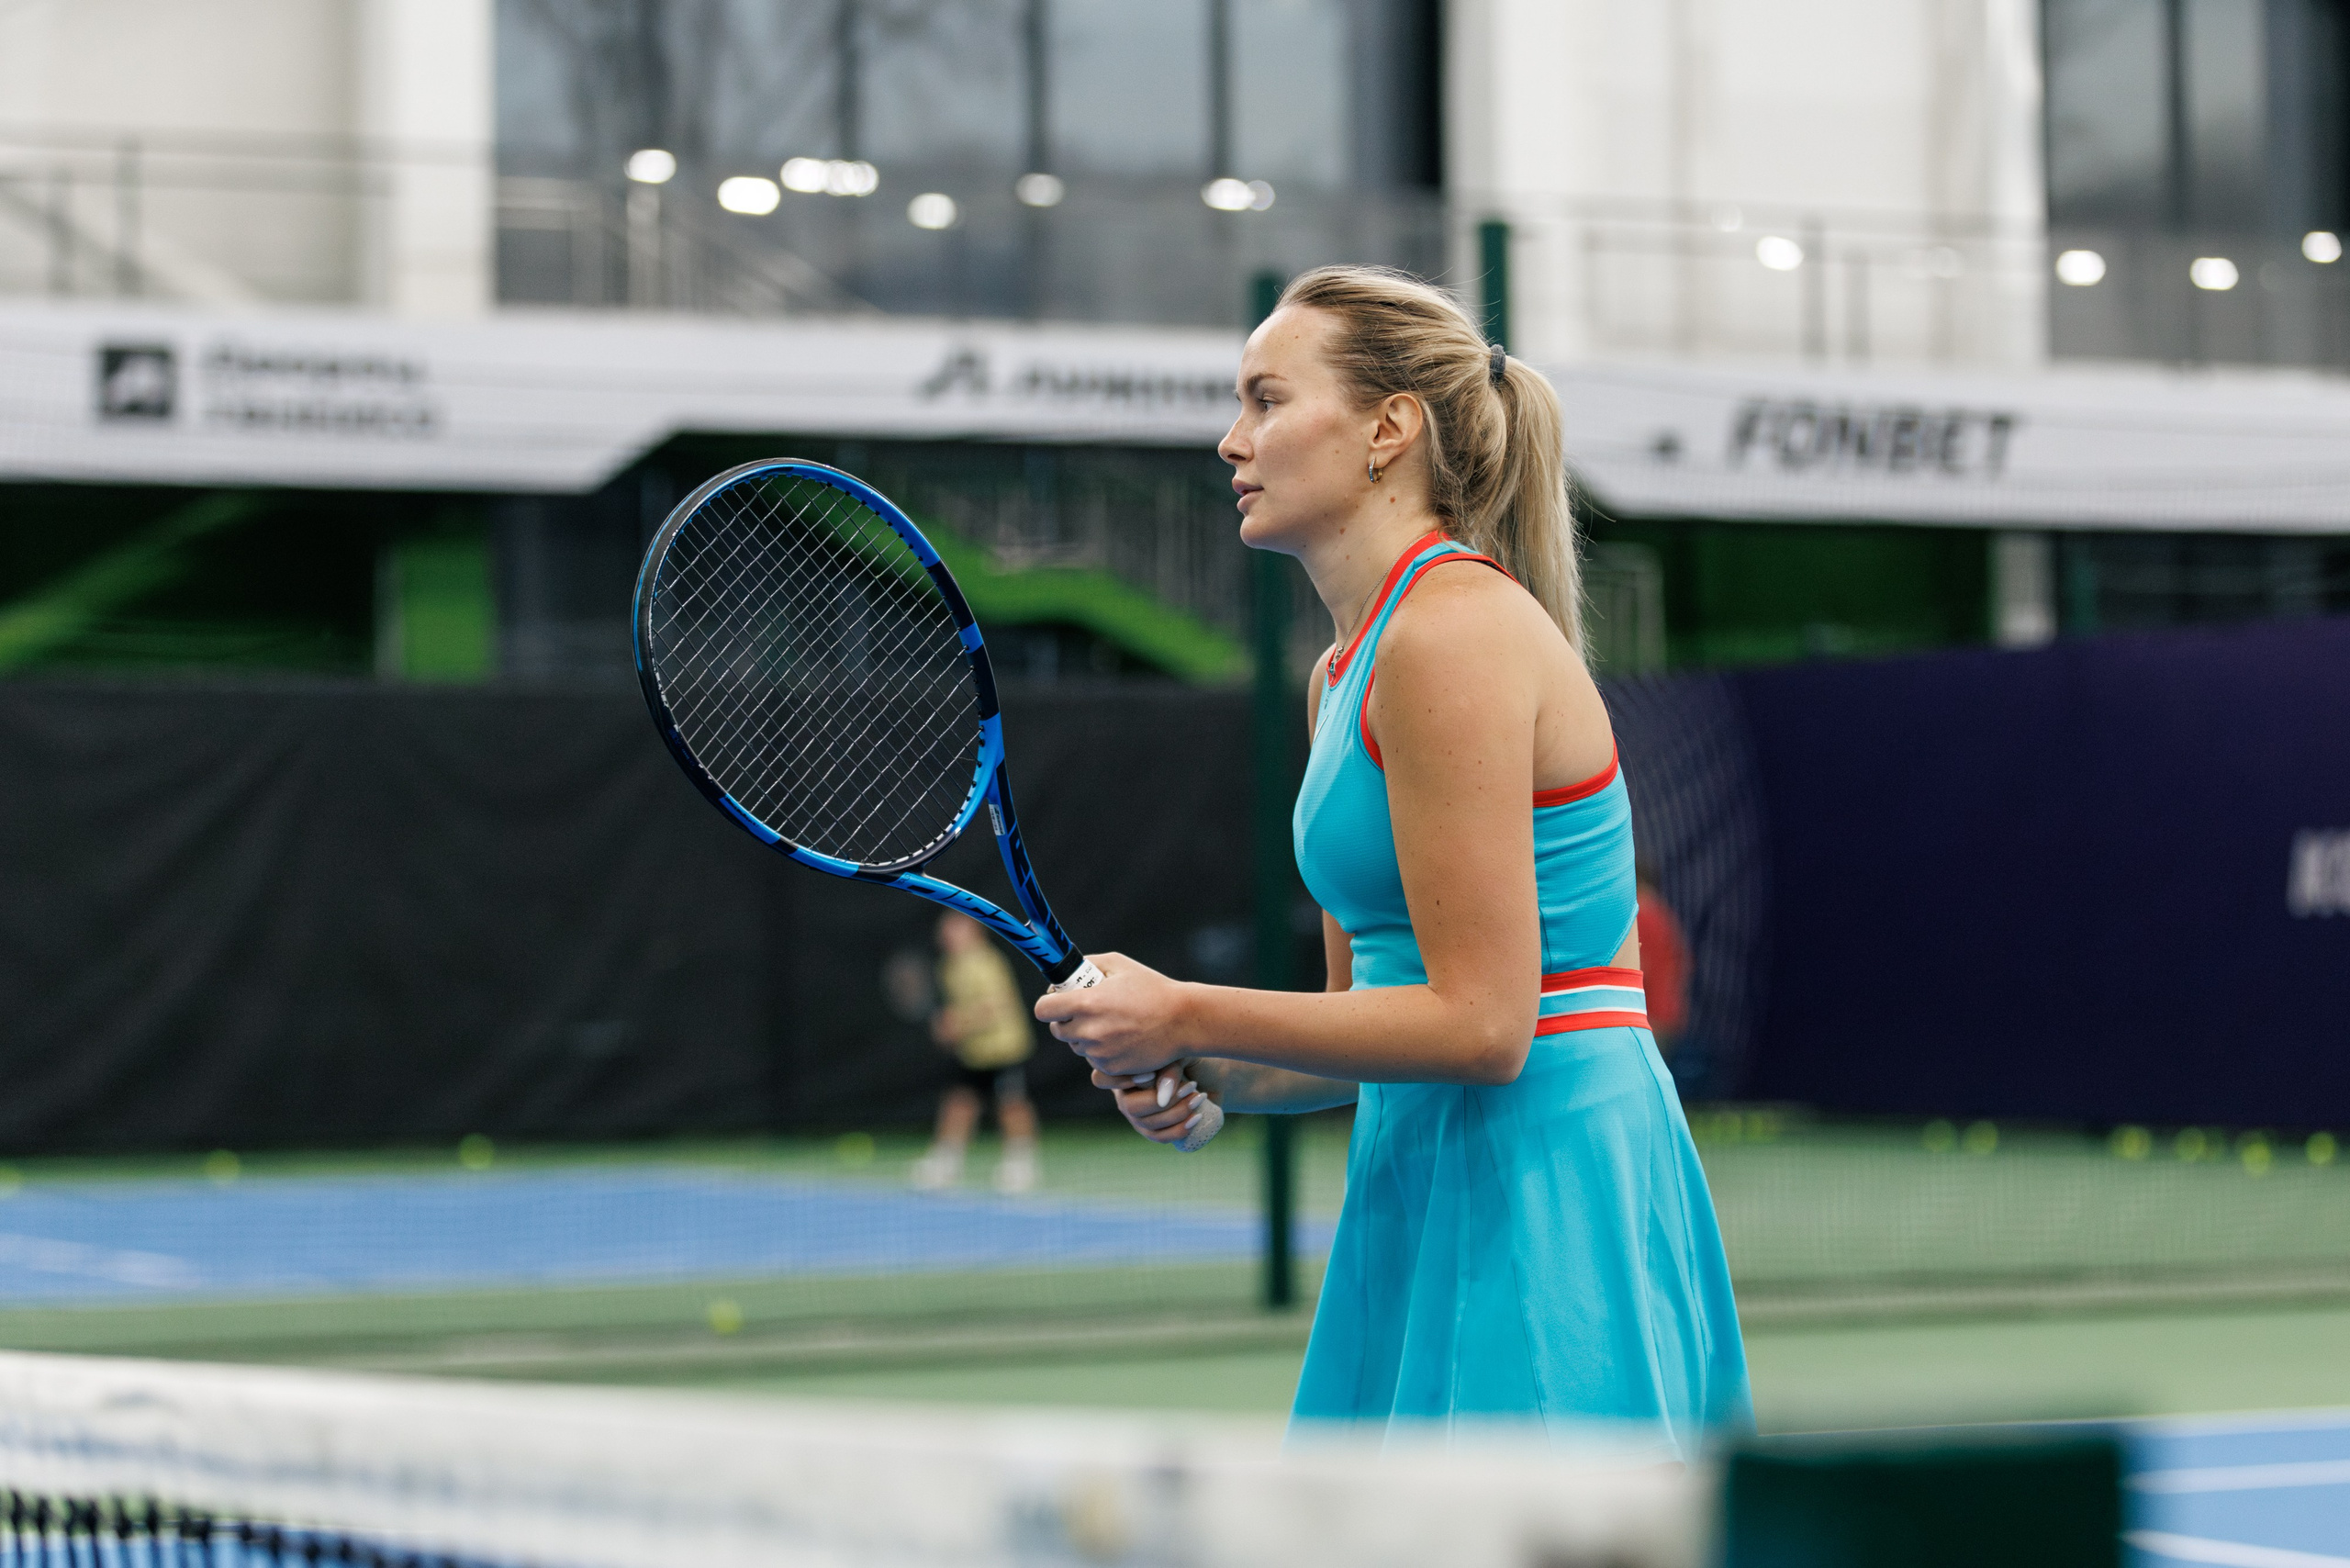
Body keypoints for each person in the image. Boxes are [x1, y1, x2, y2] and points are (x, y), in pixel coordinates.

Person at [1035, 266, 1750, 1454]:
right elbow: (1367, 1025)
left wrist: (1188, 1007)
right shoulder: (1342, 675)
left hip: (1551, 1181)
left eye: (1266, 400)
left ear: (1388, 428)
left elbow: (1482, 1027)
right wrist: (1202, 1066)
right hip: (1423, 1175)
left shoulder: (1450, 634)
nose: (1232, 440)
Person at [912, 911, 1042, 1193]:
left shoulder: (985, 961)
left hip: (1004, 1048)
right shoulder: (949, 966)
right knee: (959, 1103)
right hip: (974, 1052)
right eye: (946, 932)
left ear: (973, 933)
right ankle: (947, 1163)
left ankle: (1021, 1165)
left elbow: (997, 1006)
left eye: (956, 931)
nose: (949, 937)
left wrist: (957, 1024)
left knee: (1011, 1105)